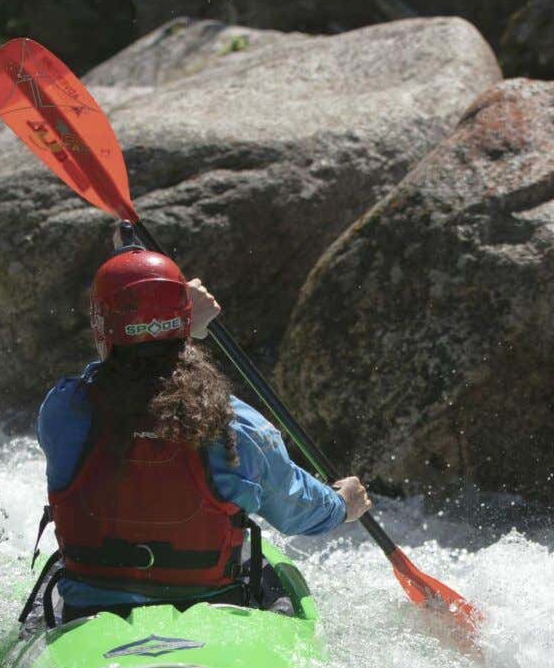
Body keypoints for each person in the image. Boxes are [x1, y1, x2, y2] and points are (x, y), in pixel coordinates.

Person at [33, 244, 371, 620]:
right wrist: (341, 505)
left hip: (91, 608)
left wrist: (164, 321)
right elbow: (294, 511)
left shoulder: (63, 412)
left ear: (101, 329)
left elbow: (110, 378)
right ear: (185, 327)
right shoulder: (234, 425)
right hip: (209, 606)